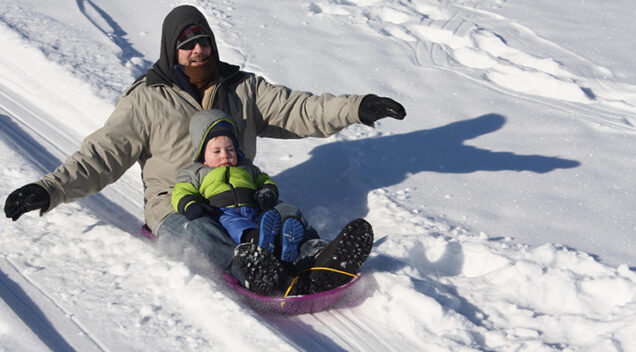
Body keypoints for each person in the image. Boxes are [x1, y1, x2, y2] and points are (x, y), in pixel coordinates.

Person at [3, 5, 403, 294]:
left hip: (241, 192)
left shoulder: (241, 87)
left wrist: (356, 106)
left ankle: (318, 256)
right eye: (186, 44)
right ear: (170, 51)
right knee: (198, 231)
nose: (197, 51)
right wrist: (50, 188)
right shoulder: (146, 100)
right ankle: (250, 267)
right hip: (180, 203)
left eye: (203, 42)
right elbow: (102, 154)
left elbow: (298, 109)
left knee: (282, 214)